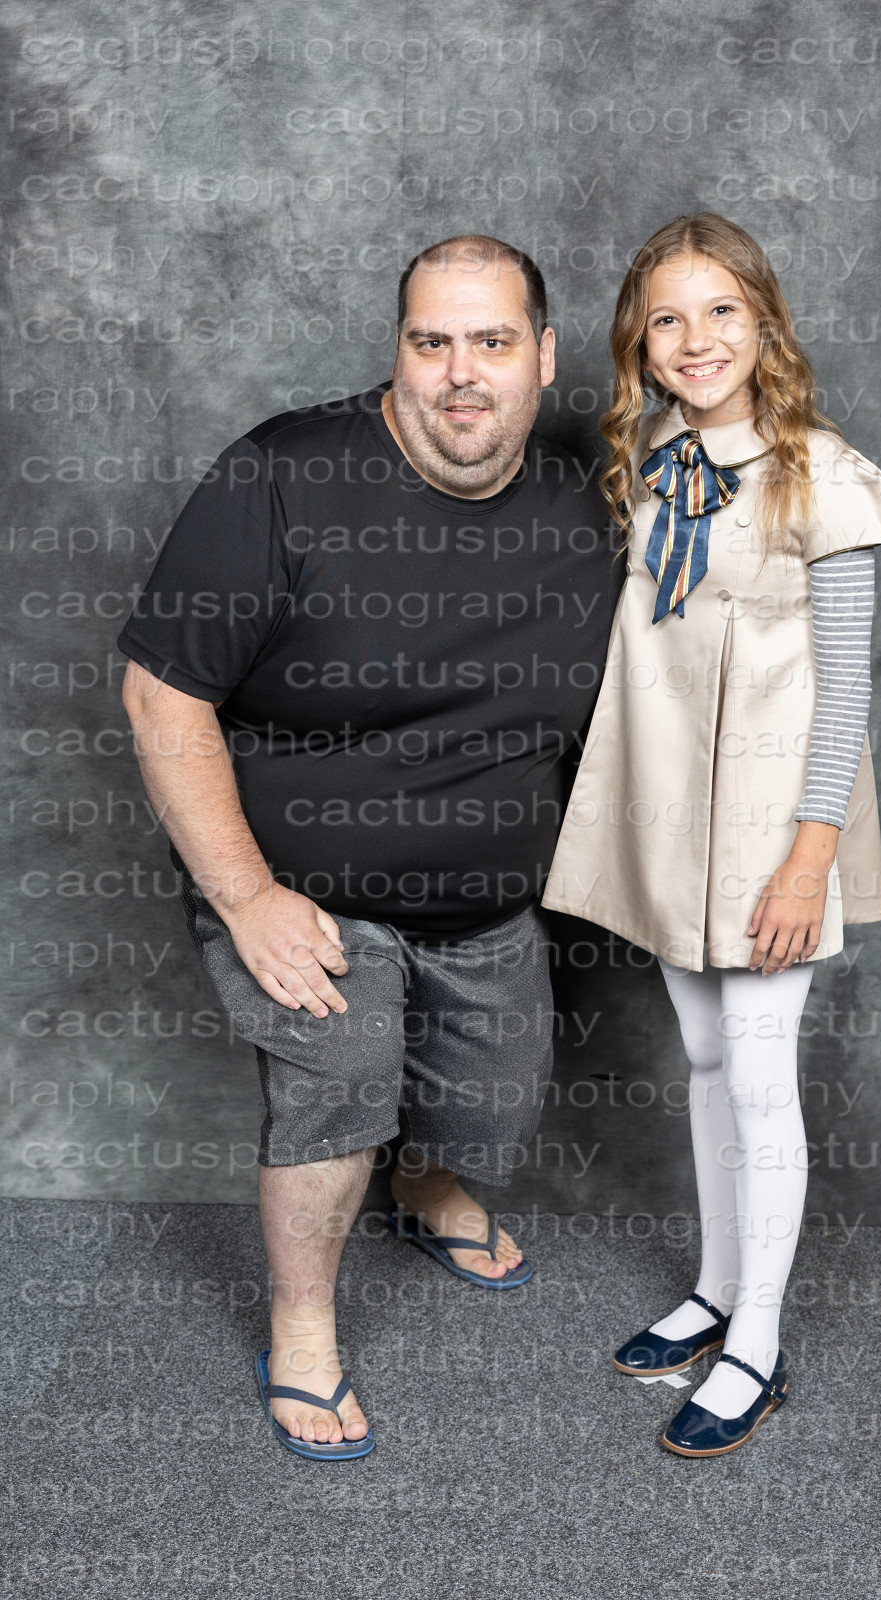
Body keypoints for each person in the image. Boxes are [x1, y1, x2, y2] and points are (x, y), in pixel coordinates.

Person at [117, 234, 618, 1460]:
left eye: (491, 341)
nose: (460, 372)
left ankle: (426, 1184)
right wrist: (247, 897)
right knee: (341, 1078)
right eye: (429, 341)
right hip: (298, 886)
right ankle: (301, 1328)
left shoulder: (583, 511)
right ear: (396, 350)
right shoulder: (281, 476)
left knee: (496, 1104)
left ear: (544, 357)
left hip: (485, 898)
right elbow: (160, 693)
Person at [541, 213, 881, 1457]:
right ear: (639, 341)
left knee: (754, 1070)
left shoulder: (821, 473)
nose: (695, 340)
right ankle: (713, 1285)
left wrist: (807, 856)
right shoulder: (652, 458)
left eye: (721, 311)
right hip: (671, 811)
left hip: (772, 822)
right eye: (667, 318)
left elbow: (841, 688)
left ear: (763, 323)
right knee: (701, 1058)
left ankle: (758, 1339)